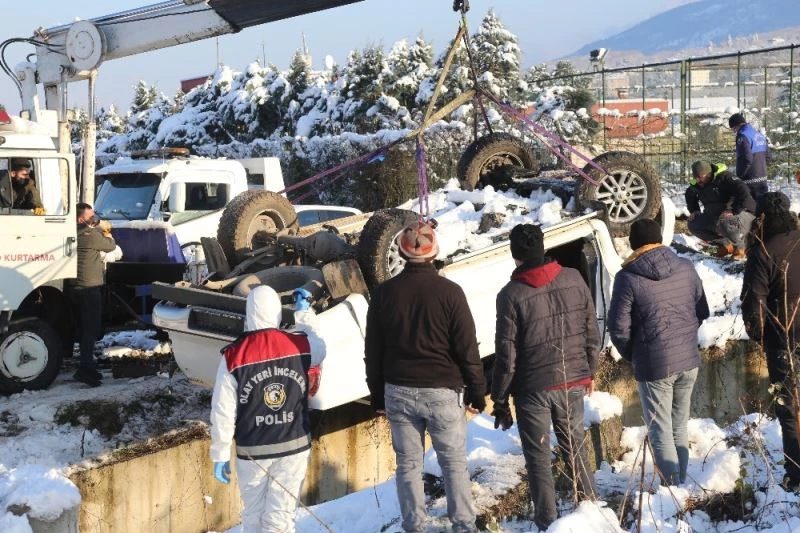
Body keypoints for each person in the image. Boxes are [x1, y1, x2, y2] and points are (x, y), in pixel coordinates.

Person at [365, 219, 485, 533]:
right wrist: (477, 391)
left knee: (408, 464)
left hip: (399, 391)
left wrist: (377, 396)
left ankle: (414, 527)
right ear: (434, 254)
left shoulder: (384, 294)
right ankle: (463, 525)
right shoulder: (451, 293)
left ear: (402, 254)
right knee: (453, 462)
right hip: (444, 391)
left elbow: (373, 351)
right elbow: (467, 347)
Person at [490, 223, 599, 530]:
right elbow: (591, 329)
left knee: (538, 457)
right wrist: (590, 371)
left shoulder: (509, 294)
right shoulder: (574, 278)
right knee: (575, 447)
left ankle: (547, 523)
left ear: (516, 256)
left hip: (532, 388)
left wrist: (499, 398)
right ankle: (591, 512)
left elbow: (506, 354)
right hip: (573, 379)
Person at [210, 285, 325, 533]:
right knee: (280, 514)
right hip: (293, 445)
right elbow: (320, 345)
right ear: (276, 312)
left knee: (253, 514)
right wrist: (303, 314)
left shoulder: (233, 356)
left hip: (252, 449)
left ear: (249, 313)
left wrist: (219, 452)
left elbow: (222, 409)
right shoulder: (300, 345)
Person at [608, 219, 709, 486]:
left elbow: (617, 328)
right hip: (688, 359)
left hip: (654, 366)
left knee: (660, 429)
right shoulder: (686, 267)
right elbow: (702, 311)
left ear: (633, 244)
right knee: (678, 424)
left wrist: (635, 355)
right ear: (660, 240)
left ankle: (672, 490)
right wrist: (684, 337)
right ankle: (681, 484)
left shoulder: (627, 278)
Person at [741, 192, 800, 490]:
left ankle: (796, 473)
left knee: (788, 406)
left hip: (782, 340)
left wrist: (759, 335)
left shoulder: (762, 251)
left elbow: (754, 304)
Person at [70, 202, 116, 387]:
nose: (94, 220)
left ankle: (87, 366)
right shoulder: (88, 234)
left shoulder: (74, 233)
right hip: (89, 287)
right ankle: (85, 368)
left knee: (84, 329)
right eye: (91, 217)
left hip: (76, 286)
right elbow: (110, 246)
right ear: (81, 219)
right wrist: (105, 231)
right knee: (91, 329)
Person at [686, 160, 755, 260]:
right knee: (693, 223)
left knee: (724, 221)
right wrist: (694, 211)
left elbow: (744, 192)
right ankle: (725, 246)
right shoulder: (697, 185)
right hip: (717, 219)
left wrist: (732, 210)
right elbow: (689, 194)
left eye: (701, 177)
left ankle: (741, 249)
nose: (699, 181)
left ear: (709, 174)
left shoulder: (724, 177)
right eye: (696, 178)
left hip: (742, 215)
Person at [729, 113, 770, 203]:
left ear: (736, 126)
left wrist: (741, 174)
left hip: (750, 179)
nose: (734, 132)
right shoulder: (759, 135)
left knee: (750, 206)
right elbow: (768, 157)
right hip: (762, 177)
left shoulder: (742, 136)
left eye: (733, 129)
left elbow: (746, 158)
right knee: (763, 204)